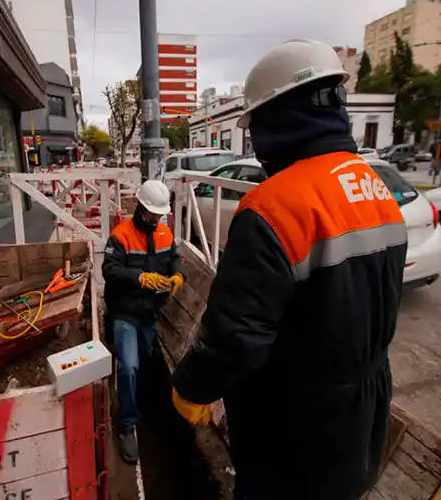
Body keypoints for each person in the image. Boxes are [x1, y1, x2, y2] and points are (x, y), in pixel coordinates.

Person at [170, 39, 408, 499]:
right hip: (363, 411)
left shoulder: (273, 207)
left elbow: (236, 335)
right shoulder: (375, 187)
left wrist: (191, 387)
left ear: (278, 118)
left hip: (293, 426)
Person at [102, 179, 185, 463]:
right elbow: (110, 270)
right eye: (152, 213)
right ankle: (127, 424)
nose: (156, 219)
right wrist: (139, 278)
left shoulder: (164, 233)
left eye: (159, 215)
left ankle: (146, 406)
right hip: (125, 312)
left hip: (149, 312)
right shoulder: (121, 236)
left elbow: (174, 258)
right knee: (128, 366)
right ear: (140, 207)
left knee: (147, 360)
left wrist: (178, 274)